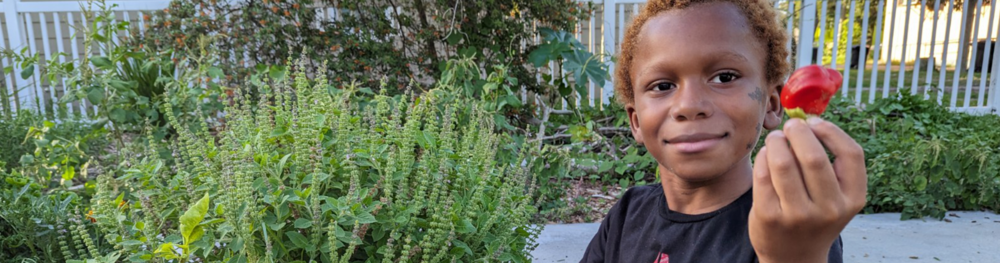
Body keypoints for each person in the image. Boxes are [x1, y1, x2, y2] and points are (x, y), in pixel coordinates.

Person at [579, 1, 868, 262]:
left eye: (724, 77)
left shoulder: (791, 226)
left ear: (771, 104)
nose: (689, 106)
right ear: (636, 121)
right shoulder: (628, 214)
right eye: (663, 86)